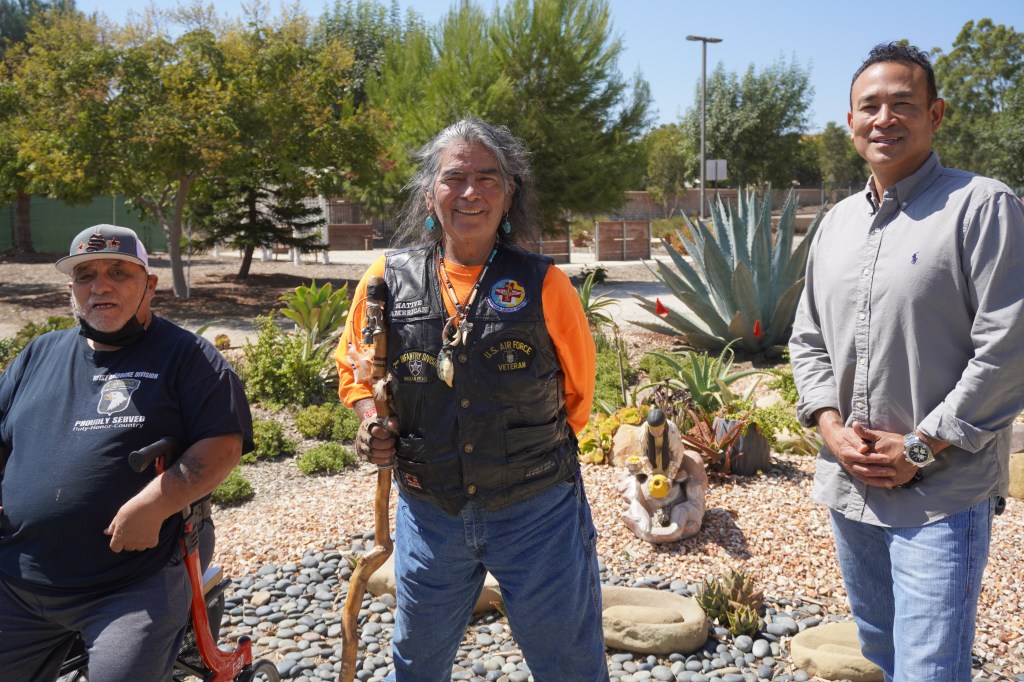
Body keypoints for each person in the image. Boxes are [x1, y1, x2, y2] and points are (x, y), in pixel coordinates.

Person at [335, 117, 606, 681]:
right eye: (453, 177)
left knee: (569, 665)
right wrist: (371, 421)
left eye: (488, 178)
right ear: (430, 194)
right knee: (415, 665)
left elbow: (577, 396)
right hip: (429, 514)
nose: (470, 192)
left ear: (509, 196)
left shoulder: (545, 283)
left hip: (537, 515)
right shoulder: (387, 279)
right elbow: (357, 370)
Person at [790, 43, 1024, 682]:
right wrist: (831, 429)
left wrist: (918, 448)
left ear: (936, 114)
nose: (884, 119)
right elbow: (808, 337)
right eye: (870, 106)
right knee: (886, 655)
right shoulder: (835, 224)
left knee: (930, 669)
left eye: (903, 105)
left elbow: (1008, 349)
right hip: (850, 489)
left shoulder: (983, 207)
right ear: (850, 121)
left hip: (940, 496)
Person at [0, 224, 254, 681]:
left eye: (119, 272)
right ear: (72, 289)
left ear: (149, 285)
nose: (101, 286)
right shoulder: (38, 354)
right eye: (86, 275)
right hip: (18, 578)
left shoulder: (188, 357)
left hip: (130, 583)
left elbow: (223, 443)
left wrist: (155, 504)